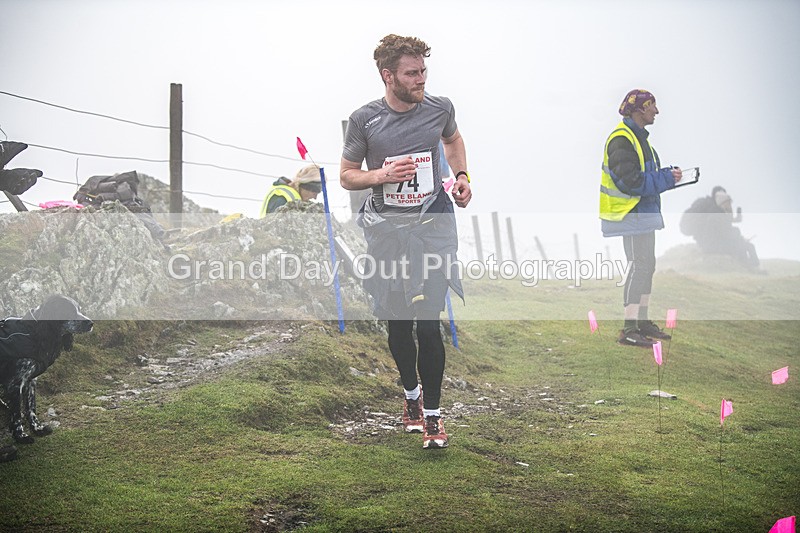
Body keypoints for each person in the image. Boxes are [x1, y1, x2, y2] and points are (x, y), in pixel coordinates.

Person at [340, 34, 472, 449]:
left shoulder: (439, 108)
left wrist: (463, 178)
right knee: (397, 320)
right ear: (388, 76)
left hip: (432, 228)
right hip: (387, 233)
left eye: (423, 72)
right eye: (412, 73)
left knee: (429, 320)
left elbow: (453, 141)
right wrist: (380, 175)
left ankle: (433, 416)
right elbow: (347, 175)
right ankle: (411, 397)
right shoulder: (364, 120)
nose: (421, 80)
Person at [599, 89, 682, 347]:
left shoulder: (640, 140)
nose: (656, 111)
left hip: (642, 214)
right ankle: (629, 329)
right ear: (639, 109)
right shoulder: (621, 139)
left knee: (648, 265)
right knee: (639, 265)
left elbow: (645, 175)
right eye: (652, 105)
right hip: (630, 214)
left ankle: (641, 323)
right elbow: (631, 182)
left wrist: (668, 175)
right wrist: (666, 179)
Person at [680, 186, 759, 269]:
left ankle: (747, 266)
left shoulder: (707, 208)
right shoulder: (716, 213)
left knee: (742, 244)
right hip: (713, 245)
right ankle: (750, 267)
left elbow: (721, 230)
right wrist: (740, 238)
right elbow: (726, 232)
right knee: (747, 246)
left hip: (706, 243)